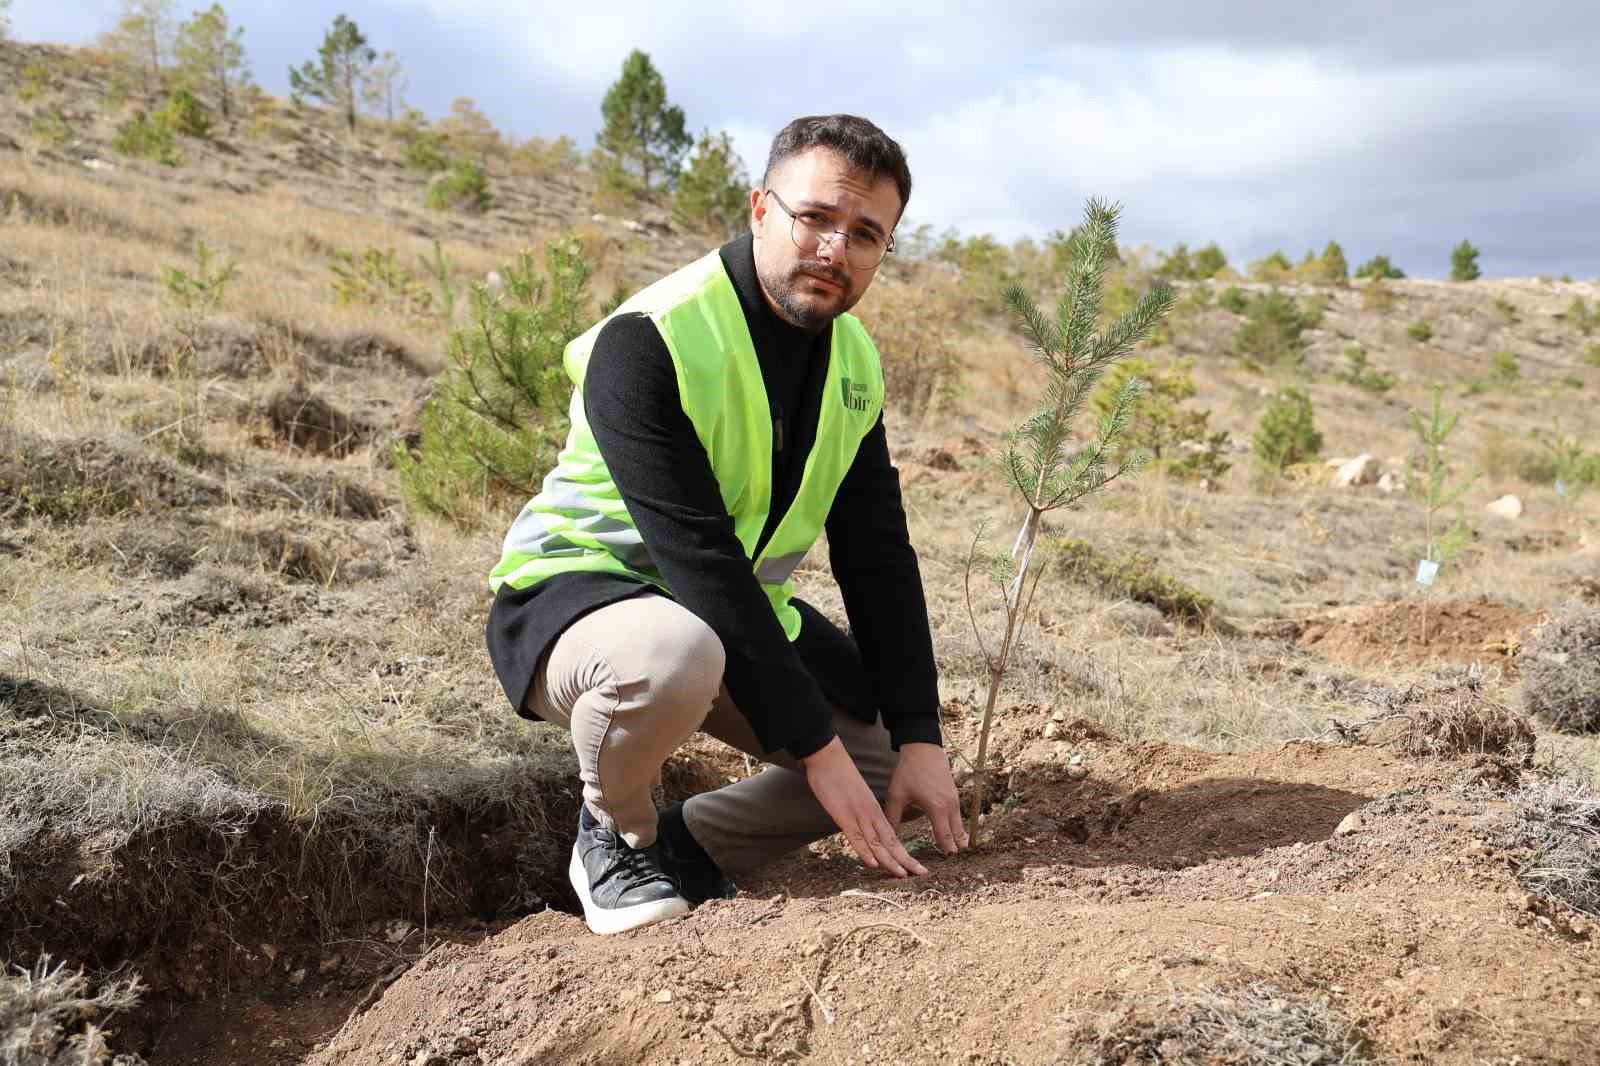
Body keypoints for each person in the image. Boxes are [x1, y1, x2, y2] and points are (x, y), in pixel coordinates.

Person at [485, 114, 966, 936]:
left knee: (886, 763)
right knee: (675, 656)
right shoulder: (649, 339)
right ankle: (614, 833)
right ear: (759, 209)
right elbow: (699, 555)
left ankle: (686, 843)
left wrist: (922, 734)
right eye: (814, 217)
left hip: (733, 611)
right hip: (583, 600)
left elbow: (877, 557)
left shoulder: (854, 363)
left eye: (865, 234)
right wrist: (816, 754)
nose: (834, 249)